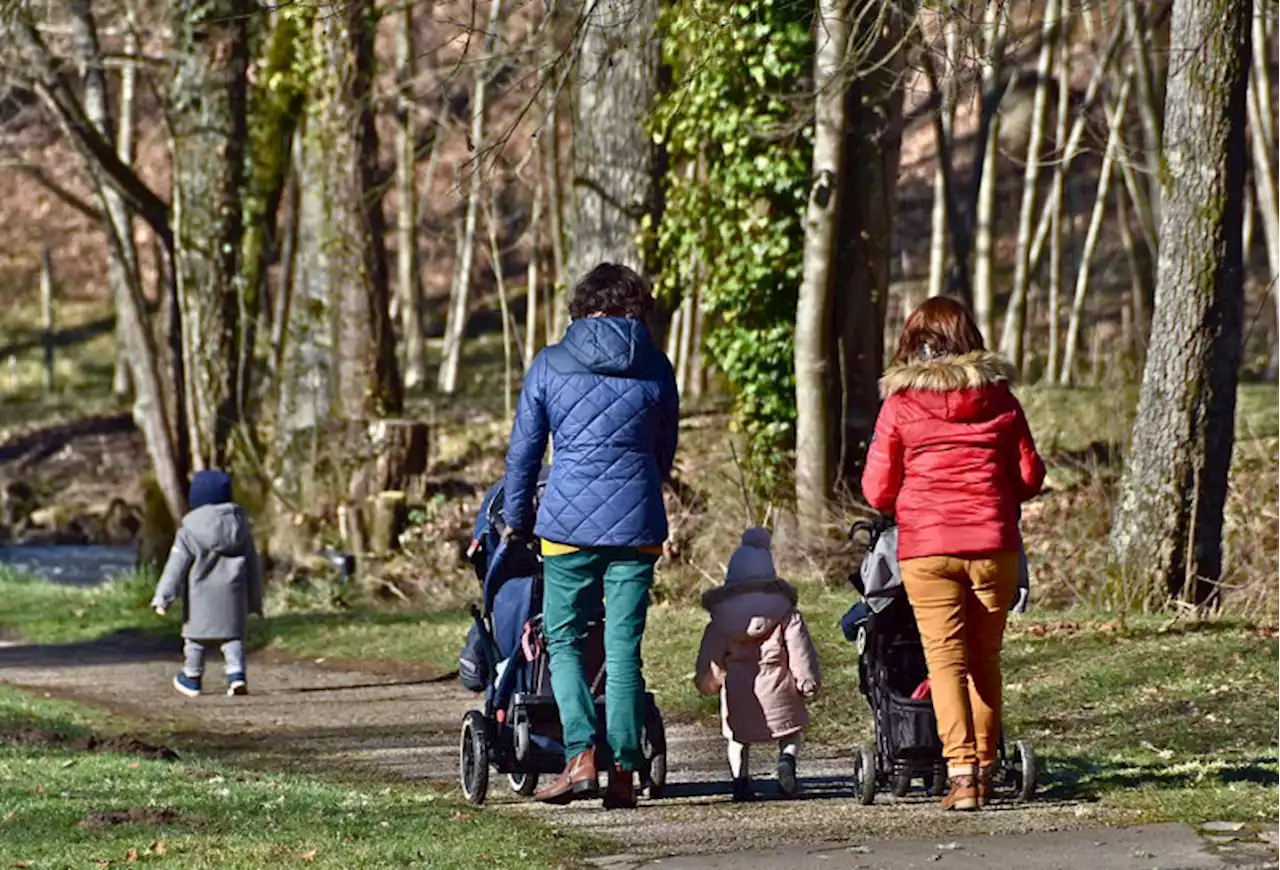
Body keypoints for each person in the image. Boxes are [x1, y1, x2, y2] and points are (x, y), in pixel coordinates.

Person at [503, 262, 679, 809]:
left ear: (581, 306)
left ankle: (580, 756)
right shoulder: (655, 364)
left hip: (567, 528)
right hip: (637, 525)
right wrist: (644, 490)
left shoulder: (551, 363)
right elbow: (664, 447)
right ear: (635, 308)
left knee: (564, 640)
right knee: (623, 648)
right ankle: (624, 769)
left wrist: (517, 518)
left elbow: (525, 452)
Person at [860, 297, 1045, 811]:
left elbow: (877, 490)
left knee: (944, 661)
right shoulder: (1001, 399)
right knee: (985, 661)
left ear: (912, 342)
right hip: (992, 546)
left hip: (927, 551)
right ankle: (987, 770)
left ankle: (961, 775)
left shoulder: (900, 404)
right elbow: (1030, 476)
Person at [694, 527, 820, 802]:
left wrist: (708, 680)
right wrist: (806, 680)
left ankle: (740, 781)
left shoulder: (721, 619)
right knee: (790, 733)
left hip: (740, 690)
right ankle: (786, 761)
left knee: (738, 738)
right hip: (779, 685)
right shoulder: (785, 612)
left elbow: (711, 656)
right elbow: (799, 649)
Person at [152, 470, 264, 698]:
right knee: (233, 639)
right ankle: (237, 676)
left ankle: (192, 678)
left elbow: (176, 567)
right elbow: (254, 567)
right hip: (233, 599)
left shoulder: (189, 531)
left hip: (199, 601)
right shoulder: (241, 528)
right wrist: (255, 601)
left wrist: (163, 598)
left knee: (195, 641)